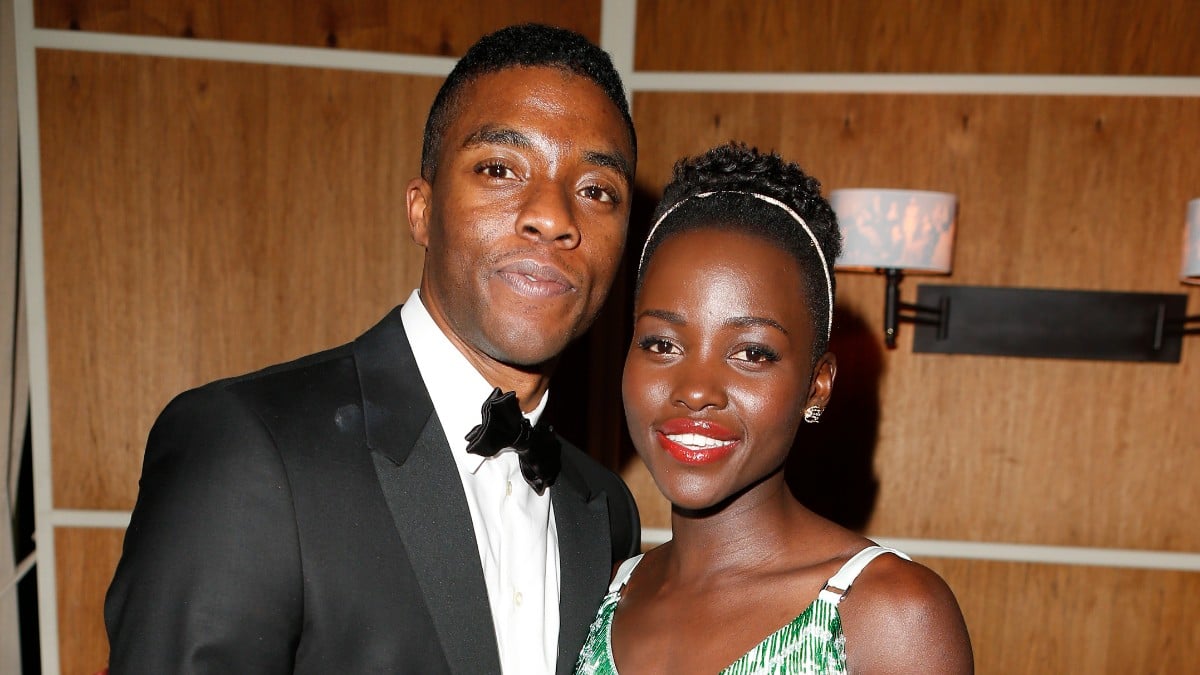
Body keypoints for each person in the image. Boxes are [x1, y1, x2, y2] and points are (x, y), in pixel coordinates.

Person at [105, 23, 641, 674]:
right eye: (499, 168)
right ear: (421, 209)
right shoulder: (249, 448)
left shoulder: (604, 509)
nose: (554, 216)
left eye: (596, 191)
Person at [575, 143, 972, 674]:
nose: (696, 390)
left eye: (752, 353)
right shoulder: (601, 596)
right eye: (662, 344)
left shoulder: (887, 615)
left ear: (818, 386)